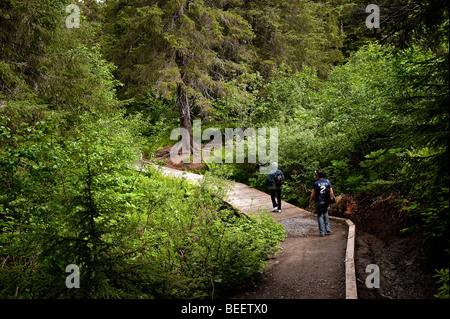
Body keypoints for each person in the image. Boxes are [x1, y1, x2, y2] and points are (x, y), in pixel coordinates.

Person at [309, 169, 334, 237]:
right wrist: (332, 200)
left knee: (319, 215)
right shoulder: (327, 181)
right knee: (325, 213)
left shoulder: (315, 183)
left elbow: (313, 194)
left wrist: (310, 200)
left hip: (318, 201)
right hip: (326, 201)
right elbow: (331, 192)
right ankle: (328, 229)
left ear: (317, 176)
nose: (314, 176)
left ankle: (322, 232)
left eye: (314, 175)